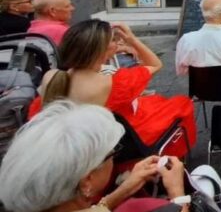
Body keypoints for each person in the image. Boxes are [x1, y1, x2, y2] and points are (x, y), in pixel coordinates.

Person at [0, 100, 195, 212]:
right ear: (86, 181)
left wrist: (124, 190)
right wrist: (178, 194)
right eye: (112, 153)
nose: (114, 157)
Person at [29, 20, 196, 158]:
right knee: (181, 104)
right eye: (113, 40)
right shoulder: (115, 81)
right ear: (102, 50)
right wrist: (132, 39)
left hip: (72, 144)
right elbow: (155, 64)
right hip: (117, 143)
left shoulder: (51, 77)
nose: (117, 43)